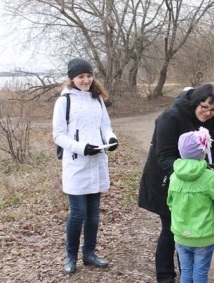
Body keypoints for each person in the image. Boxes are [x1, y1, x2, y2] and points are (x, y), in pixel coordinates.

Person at [138, 83, 214, 283]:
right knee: (171, 229)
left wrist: (212, 168)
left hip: (194, 184)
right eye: (204, 107)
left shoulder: (207, 121)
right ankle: (165, 276)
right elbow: (163, 156)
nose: (208, 112)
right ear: (196, 101)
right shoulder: (171, 117)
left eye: (213, 110)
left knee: (189, 231)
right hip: (166, 182)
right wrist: (191, 173)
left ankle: (187, 275)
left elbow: (211, 148)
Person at [52, 58, 119, 274]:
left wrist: (111, 139)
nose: (86, 80)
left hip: (97, 162)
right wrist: (82, 148)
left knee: (93, 215)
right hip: (77, 164)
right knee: (78, 213)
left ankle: (89, 254)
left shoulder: (96, 98)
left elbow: (105, 125)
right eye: (81, 76)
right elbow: (59, 136)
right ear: (73, 78)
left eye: (89, 75)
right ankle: (70, 256)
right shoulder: (65, 101)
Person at [167, 127, 214, 283]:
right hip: (203, 235)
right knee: (200, 273)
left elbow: (170, 202)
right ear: (203, 152)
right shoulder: (210, 177)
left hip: (181, 234)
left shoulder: (174, 177)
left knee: (186, 272)